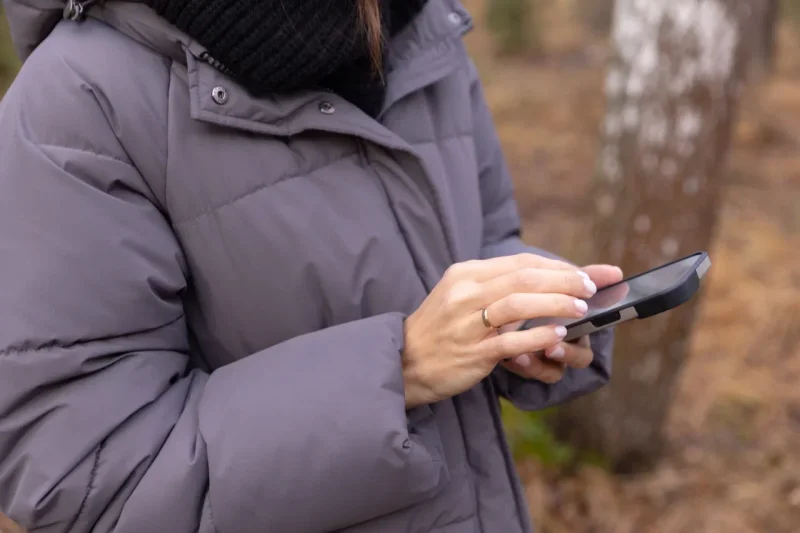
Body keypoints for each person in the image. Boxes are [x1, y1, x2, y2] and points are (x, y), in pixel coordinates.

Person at [0, 0, 623, 531]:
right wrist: (399, 369)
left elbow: (482, 233)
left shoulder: (417, 25)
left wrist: (522, 307)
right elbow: (86, 474)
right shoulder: (77, 102)